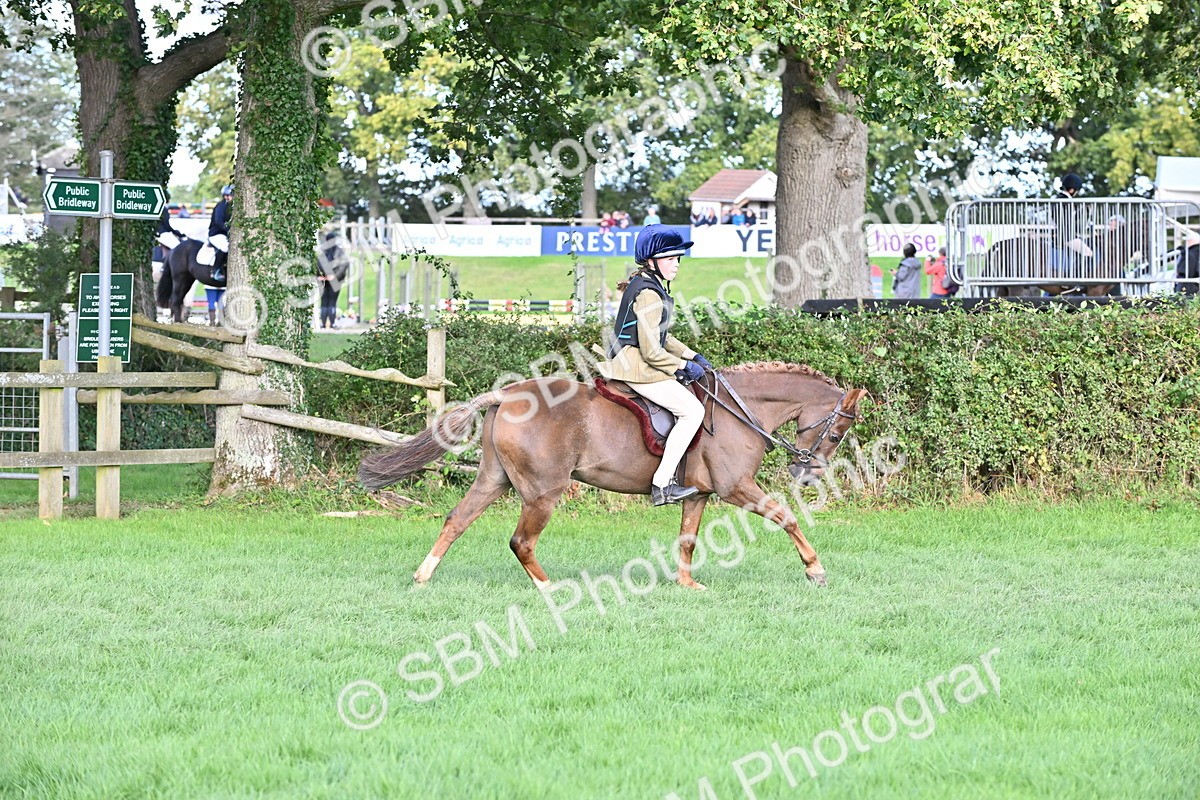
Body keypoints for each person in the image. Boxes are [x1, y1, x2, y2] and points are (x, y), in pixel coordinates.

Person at [598, 225, 709, 506]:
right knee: (693, 411)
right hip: (635, 366)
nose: (676, 265)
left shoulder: (649, 285)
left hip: (634, 360)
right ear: (652, 261)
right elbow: (651, 351)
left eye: (678, 259)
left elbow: (662, 334)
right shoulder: (649, 293)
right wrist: (681, 367)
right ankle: (662, 485)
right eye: (670, 259)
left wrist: (693, 355)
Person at [1049, 172, 1091, 275]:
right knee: (1088, 253)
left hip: (1066, 234)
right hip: (1066, 236)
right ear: (1072, 190)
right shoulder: (1063, 200)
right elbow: (1064, 220)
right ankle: (1077, 279)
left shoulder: (1064, 199)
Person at [318, 231, 351, 329]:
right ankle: (332, 323)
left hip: (324, 279)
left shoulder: (323, 251)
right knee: (332, 301)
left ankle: (323, 324)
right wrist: (335, 276)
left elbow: (318, 265)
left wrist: (321, 275)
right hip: (335, 280)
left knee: (324, 301)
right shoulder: (339, 252)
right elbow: (344, 265)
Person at [207, 184, 234, 282]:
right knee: (225, 247)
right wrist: (230, 231)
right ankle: (215, 270)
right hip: (216, 234)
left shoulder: (232, 207)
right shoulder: (221, 206)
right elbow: (219, 221)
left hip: (225, 234)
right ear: (226, 196)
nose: (233, 197)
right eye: (231, 195)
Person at [1175, 231, 1200, 295]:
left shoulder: (1188, 254)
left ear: (1193, 241)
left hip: (1188, 286)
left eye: (1188, 241)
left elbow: (1182, 271)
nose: (1187, 243)